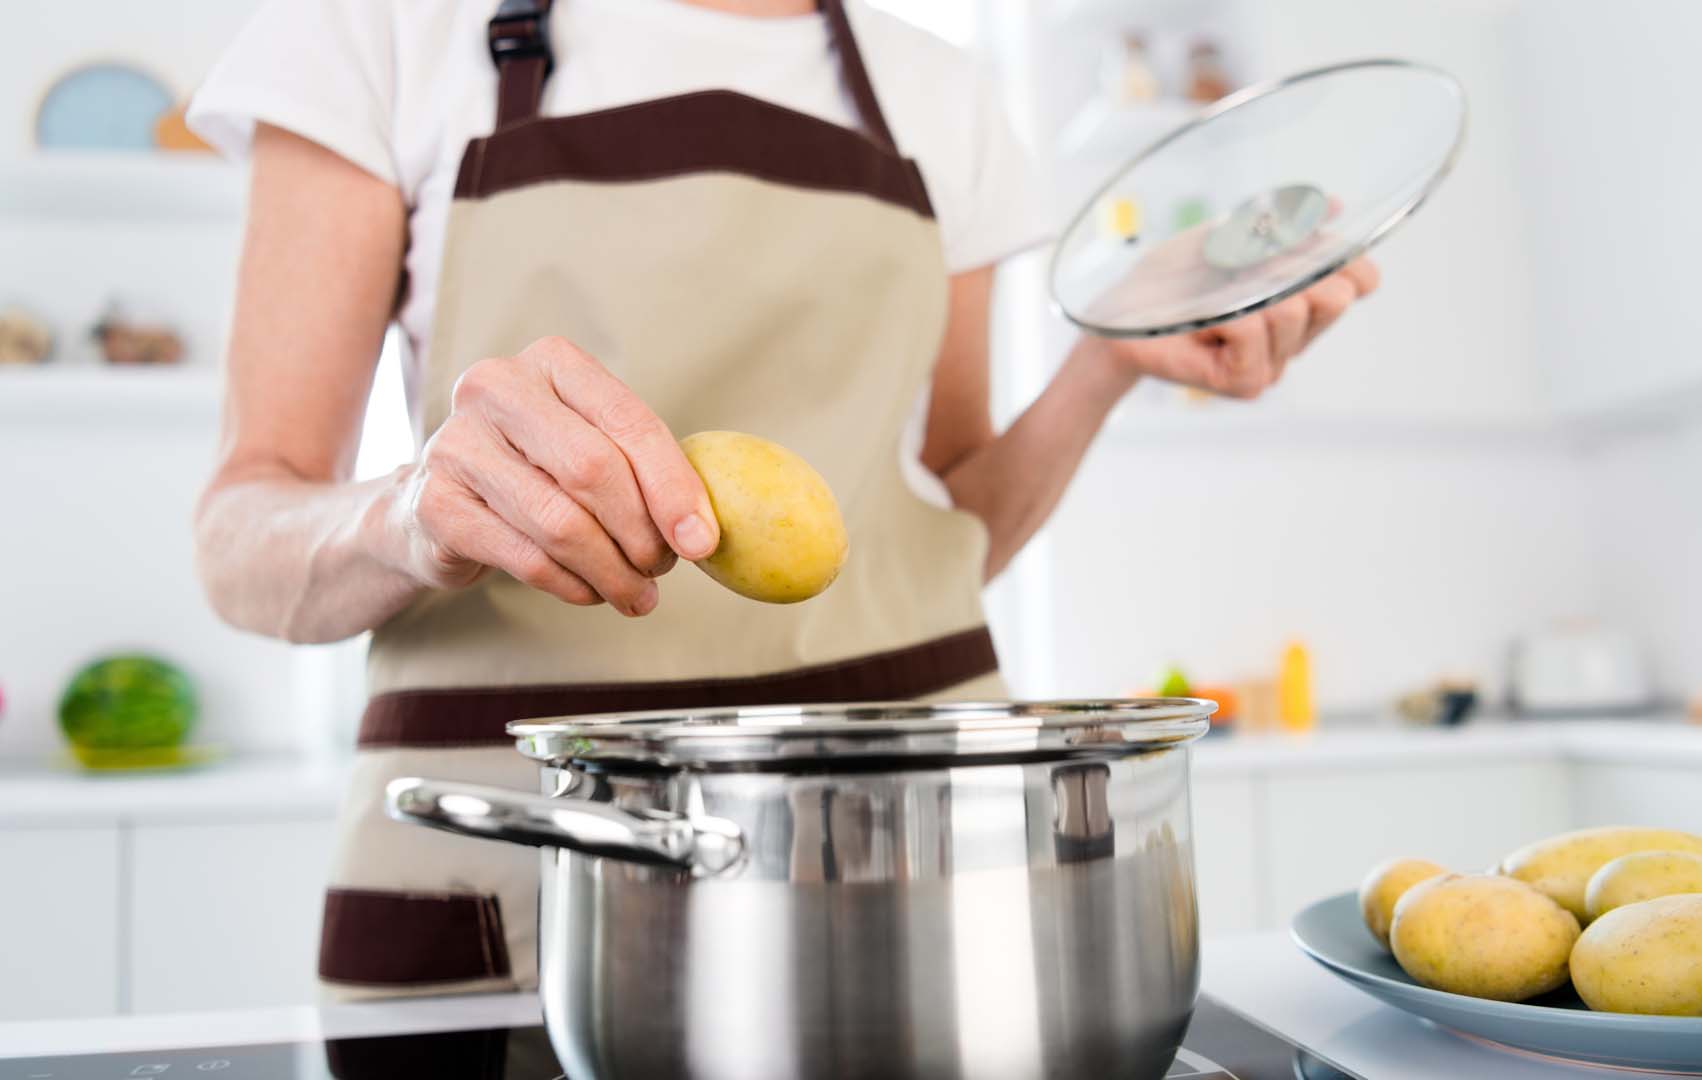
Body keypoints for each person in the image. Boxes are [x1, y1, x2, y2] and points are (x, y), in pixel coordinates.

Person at [186, 0, 1379, 999]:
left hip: (899, 866)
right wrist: (415, 514)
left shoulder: (941, 93)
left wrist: (1112, 359)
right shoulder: (381, 29)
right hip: (524, 859)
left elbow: (945, 537)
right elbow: (243, 534)